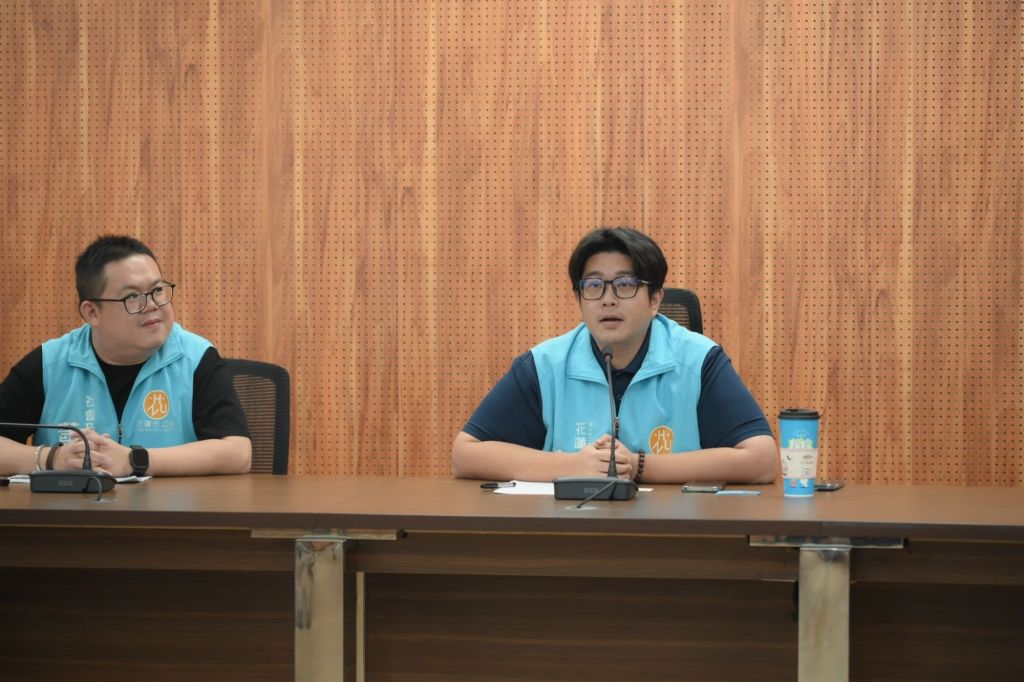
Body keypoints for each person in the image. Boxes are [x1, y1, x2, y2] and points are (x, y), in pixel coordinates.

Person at [452, 227, 777, 484]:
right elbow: (466, 454)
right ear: (580, 300)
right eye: (594, 285)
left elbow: (762, 460)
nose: (608, 299)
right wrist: (572, 466)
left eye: (625, 284)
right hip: (572, 534)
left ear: (655, 300)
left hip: (673, 535)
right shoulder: (546, 365)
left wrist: (639, 466)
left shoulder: (698, 361)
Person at [0, 235, 251, 477]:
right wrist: (52, 458)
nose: (152, 304)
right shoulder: (50, 364)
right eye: (133, 296)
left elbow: (238, 453)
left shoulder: (196, 359)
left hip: (169, 506)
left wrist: (134, 460)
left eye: (157, 290)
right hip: (73, 506)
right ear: (92, 312)